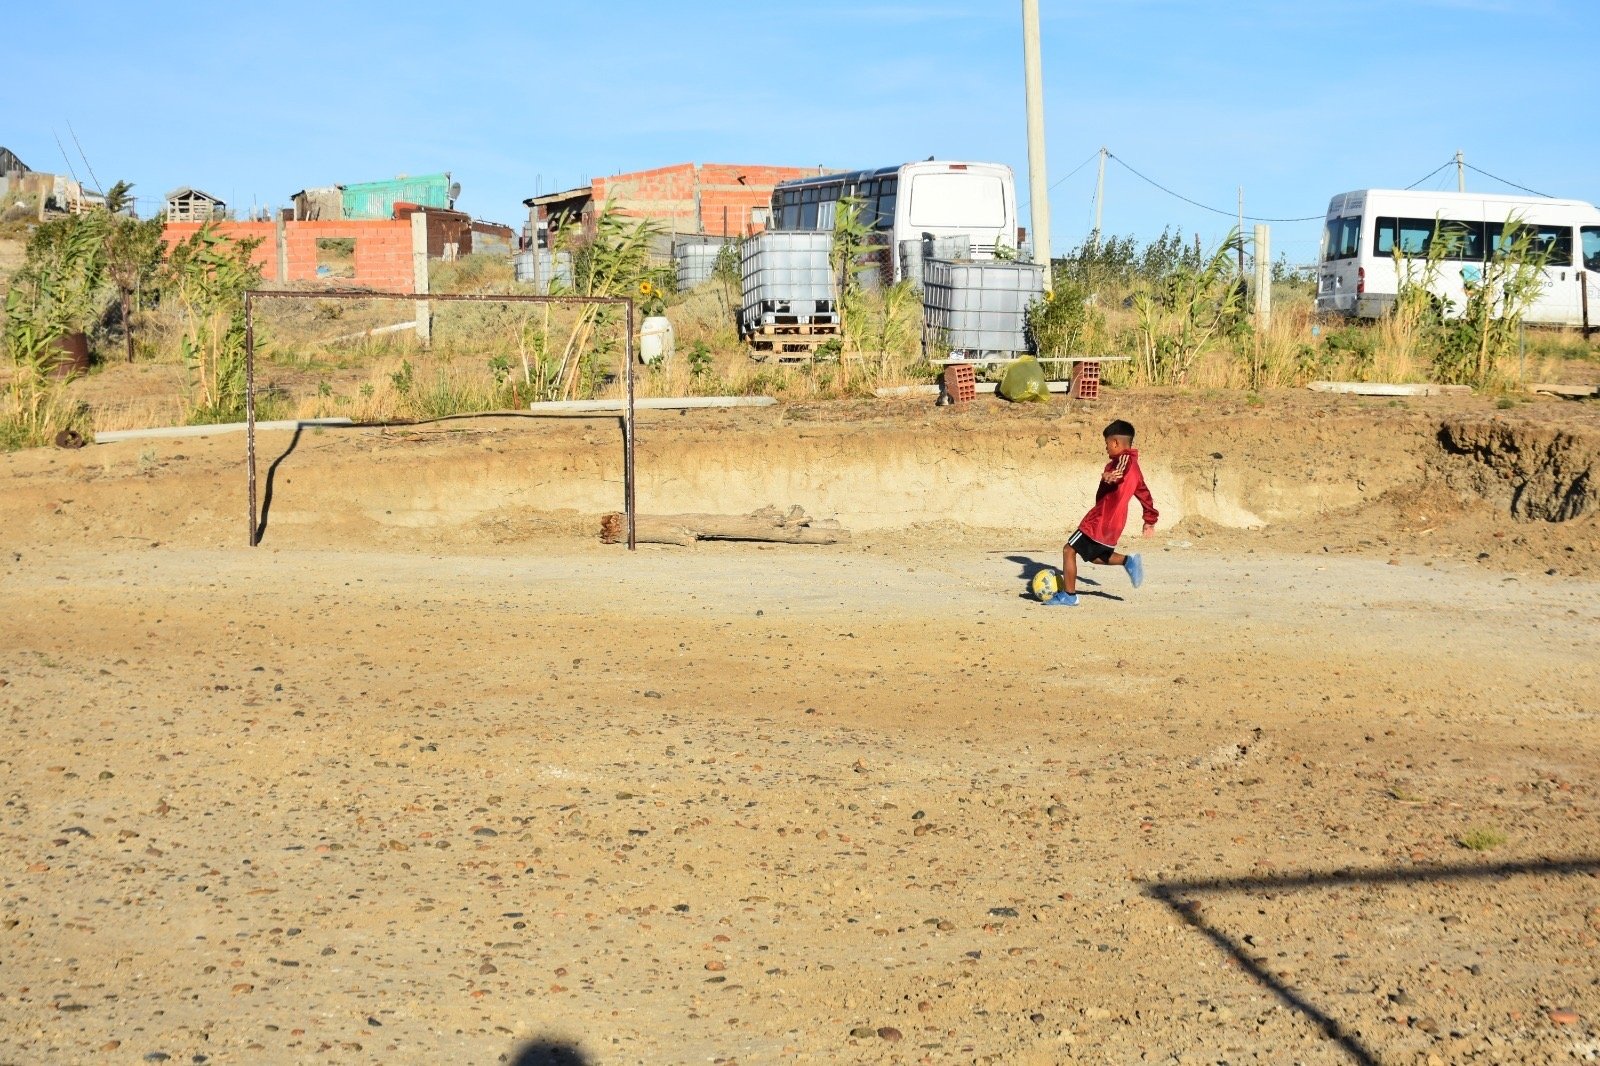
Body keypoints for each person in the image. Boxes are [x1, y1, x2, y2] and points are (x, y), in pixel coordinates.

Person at [1045, 419, 1158, 607]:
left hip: (1100, 520)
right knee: (1095, 556)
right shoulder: (1136, 469)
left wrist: (1110, 477)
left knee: (1069, 550)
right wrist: (1150, 519)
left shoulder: (1123, 461)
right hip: (1114, 523)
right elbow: (1145, 494)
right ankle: (1128, 561)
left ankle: (1069, 596)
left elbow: (1119, 473)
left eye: (1107, 444)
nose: (1106, 448)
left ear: (1116, 442)